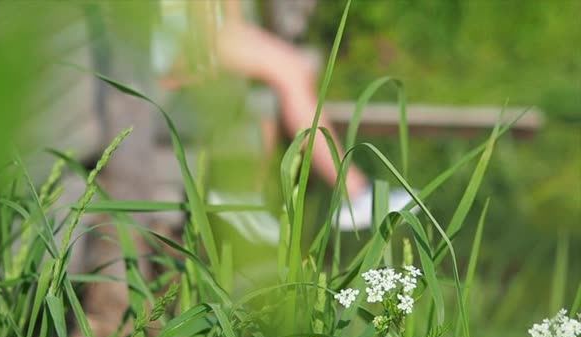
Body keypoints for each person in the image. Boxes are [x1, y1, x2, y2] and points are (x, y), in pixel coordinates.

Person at [154, 0, 414, 239]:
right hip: (182, 35)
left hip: (201, 31)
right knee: (291, 69)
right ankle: (354, 191)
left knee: (276, 84)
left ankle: (245, 196)